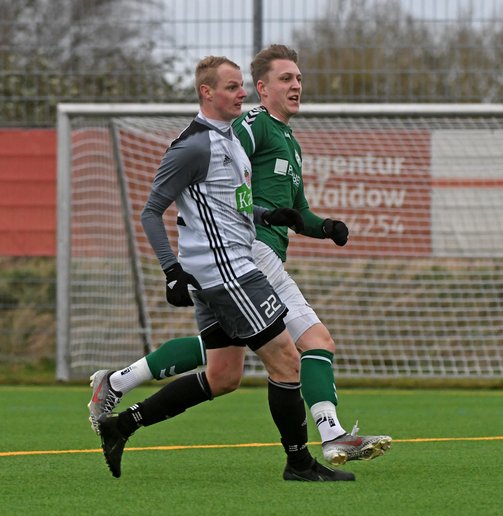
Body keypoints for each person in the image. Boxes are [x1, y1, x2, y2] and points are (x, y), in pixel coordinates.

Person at [89, 44, 391, 466]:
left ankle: (120, 399)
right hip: (246, 257)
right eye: (286, 79)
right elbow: (198, 187)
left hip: (248, 256)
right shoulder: (250, 127)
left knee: (223, 373)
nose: (296, 85)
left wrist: (322, 227)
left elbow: (277, 206)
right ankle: (329, 439)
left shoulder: (286, 141)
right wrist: (178, 259)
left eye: (299, 78)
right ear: (262, 89)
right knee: (307, 345)